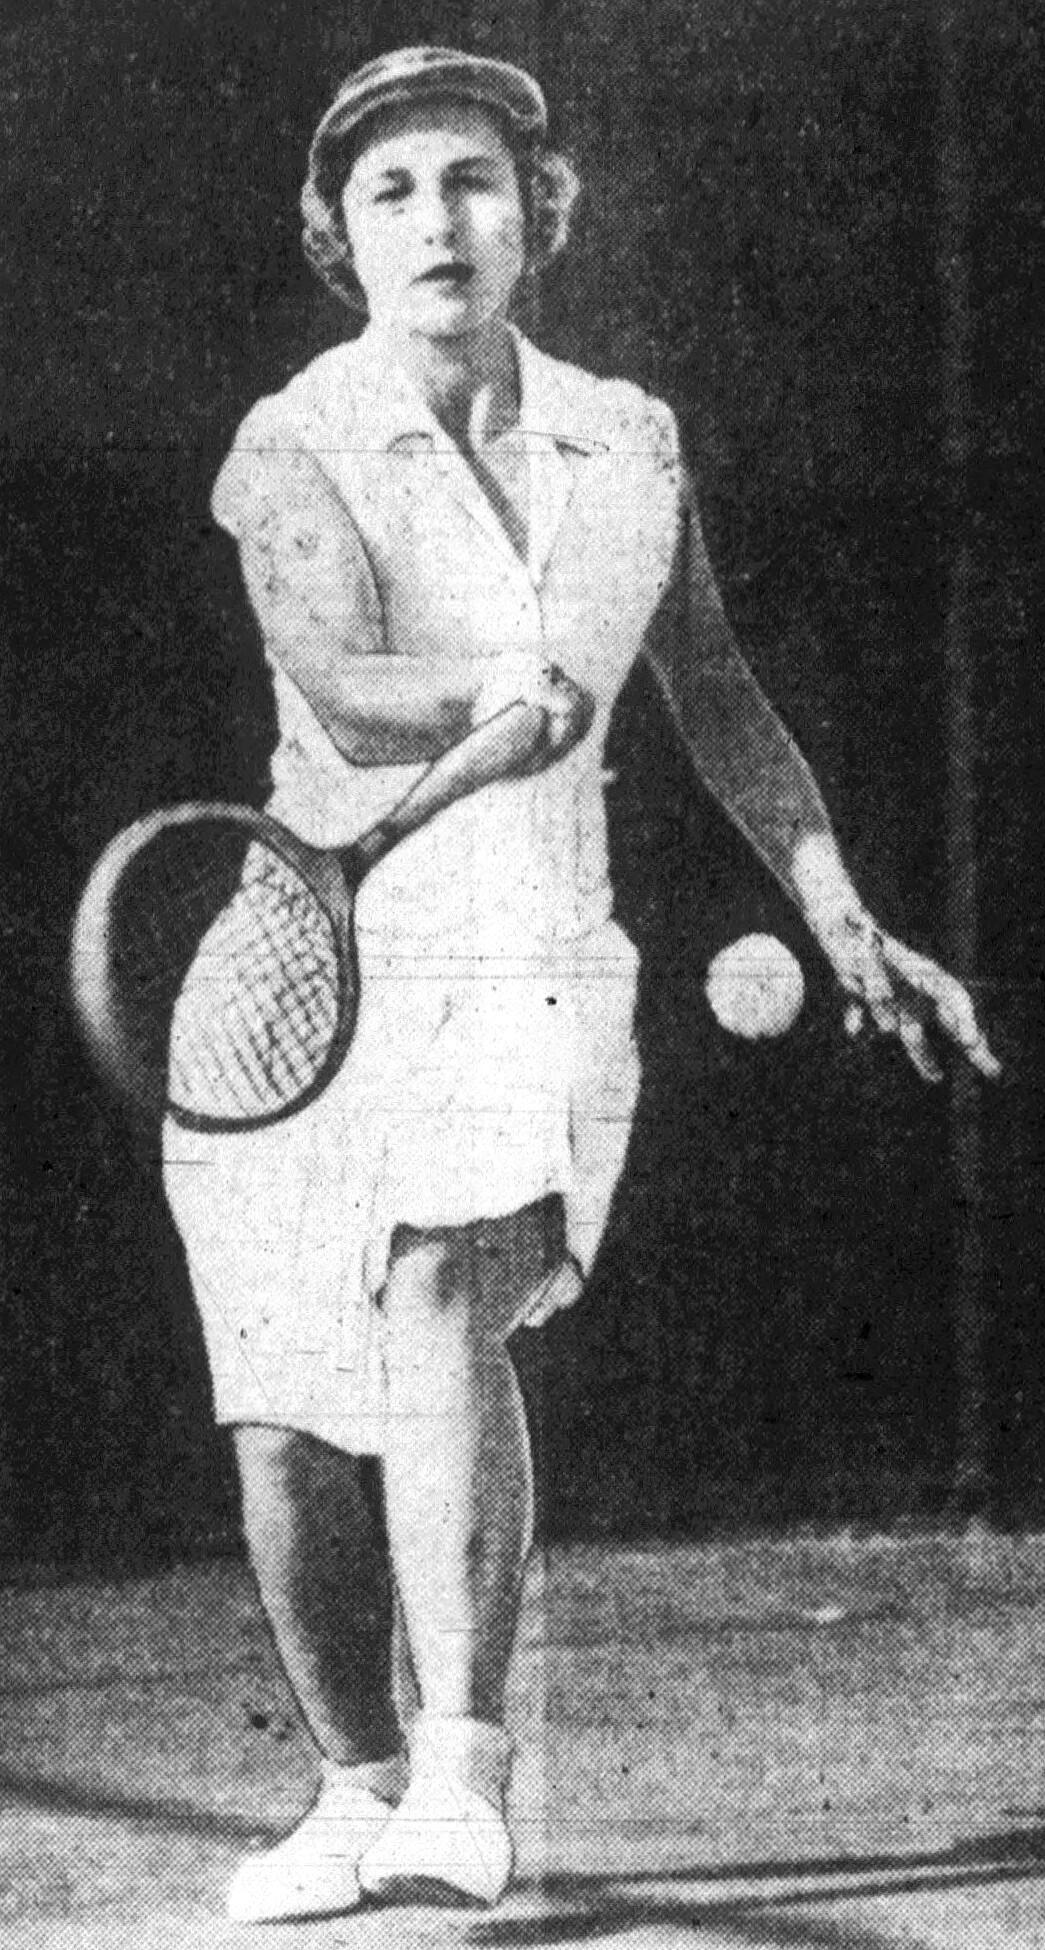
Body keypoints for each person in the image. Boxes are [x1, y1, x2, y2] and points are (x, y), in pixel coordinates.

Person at [163, 44, 999, 1924]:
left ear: (538, 212)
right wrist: (493, 685)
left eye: (472, 179)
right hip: (300, 959)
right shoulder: (292, 439)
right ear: (338, 235)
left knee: (440, 1292)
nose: (437, 220)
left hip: (529, 951)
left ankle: (464, 1767)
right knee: (280, 1408)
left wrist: (836, 903)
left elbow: (711, 686)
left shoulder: (628, 439)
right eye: (391, 191)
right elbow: (335, 679)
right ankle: (352, 1786)